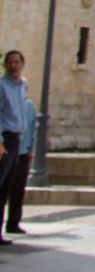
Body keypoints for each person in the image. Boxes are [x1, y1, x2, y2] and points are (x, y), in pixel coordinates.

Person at [0, 51, 27, 246]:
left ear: (22, 64)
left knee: (6, 189)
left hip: (16, 140)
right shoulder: (1, 86)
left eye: (16, 62)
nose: (13, 65)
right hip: (4, 141)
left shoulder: (22, 85)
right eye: (10, 62)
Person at [3, 91, 34, 235]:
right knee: (4, 190)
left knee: (18, 190)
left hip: (22, 152)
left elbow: (32, 129)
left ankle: (14, 223)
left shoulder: (29, 106)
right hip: (8, 151)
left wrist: (30, 149)